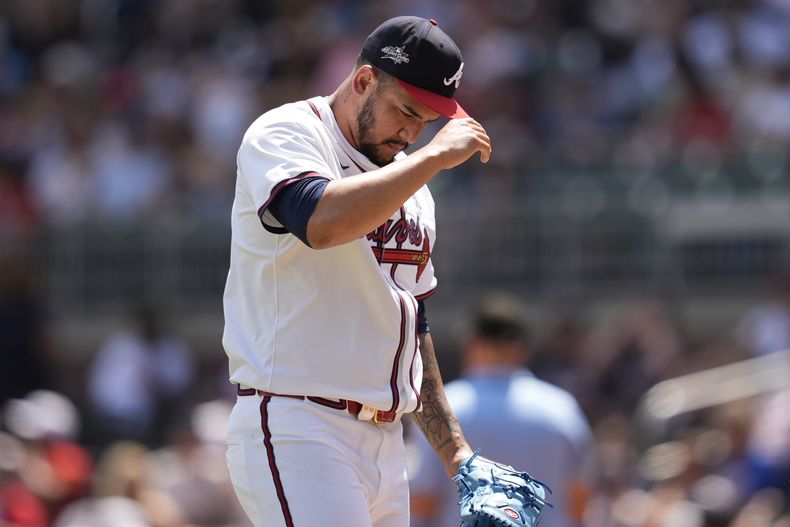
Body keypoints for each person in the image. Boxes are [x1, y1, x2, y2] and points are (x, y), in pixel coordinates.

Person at [222, 15, 493, 527]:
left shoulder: (412, 186)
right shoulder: (288, 132)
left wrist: (456, 454)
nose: (413, 131)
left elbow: (411, 324)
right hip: (297, 422)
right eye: (406, 111)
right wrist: (432, 158)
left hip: (386, 445)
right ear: (365, 81)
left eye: (428, 121)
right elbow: (321, 221)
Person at [409, 293, 596, 527]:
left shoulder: (443, 407)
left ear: (471, 343)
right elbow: (579, 500)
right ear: (524, 347)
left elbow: (424, 499)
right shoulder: (562, 409)